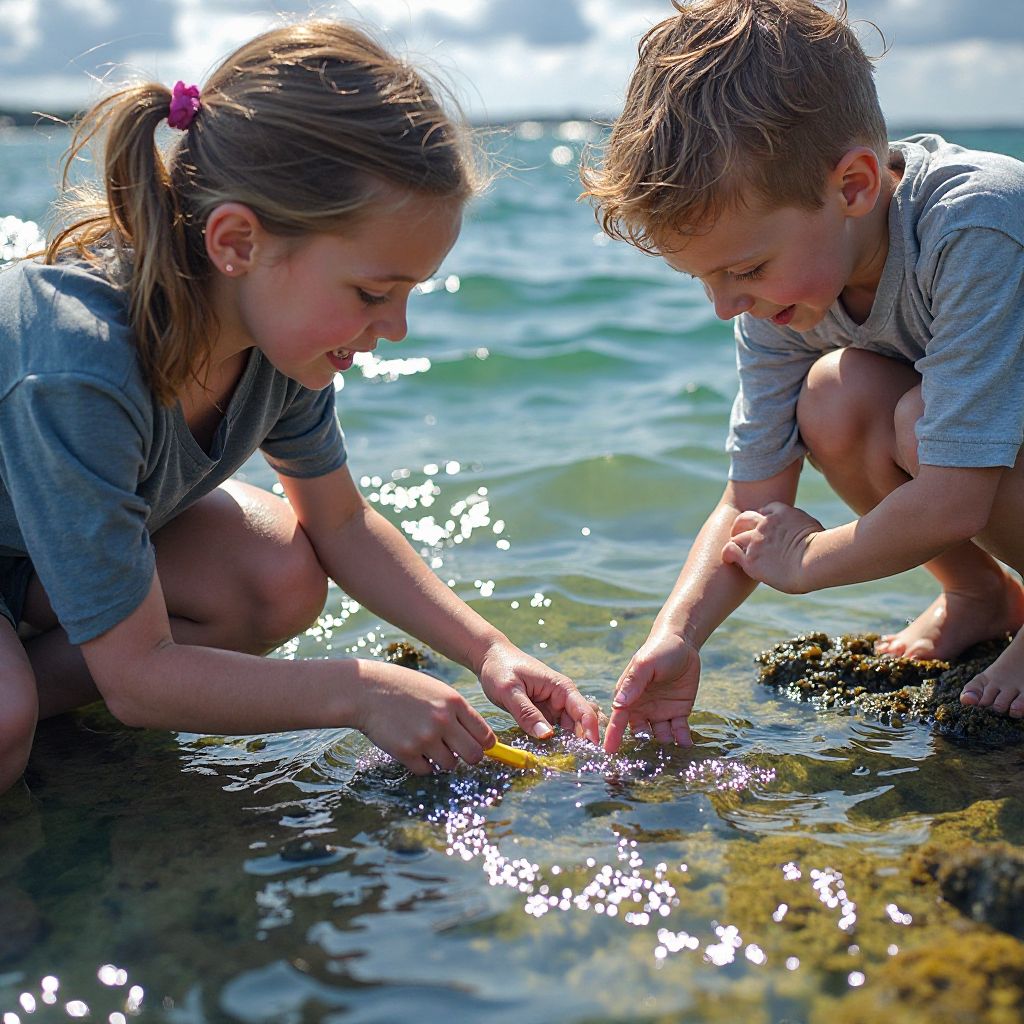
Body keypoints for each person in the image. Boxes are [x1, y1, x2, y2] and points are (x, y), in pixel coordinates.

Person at [0, 20, 600, 796]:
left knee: (278, 574)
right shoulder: (79, 365)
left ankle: (33, 680)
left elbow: (340, 525)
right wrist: (358, 691)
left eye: (409, 294)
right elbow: (141, 680)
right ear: (238, 242)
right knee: (7, 723)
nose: (396, 328)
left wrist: (488, 650)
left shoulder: (278, 343)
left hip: (24, 555)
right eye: (374, 294)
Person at [580, 0, 1024, 753]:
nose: (726, 307)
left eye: (744, 270)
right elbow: (750, 504)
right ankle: (980, 595)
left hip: (972, 463)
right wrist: (676, 635)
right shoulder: (787, 293)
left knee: (925, 423)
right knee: (834, 399)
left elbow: (952, 497)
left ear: (853, 187)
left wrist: (810, 563)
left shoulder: (974, 224)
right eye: (706, 280)